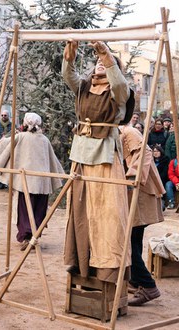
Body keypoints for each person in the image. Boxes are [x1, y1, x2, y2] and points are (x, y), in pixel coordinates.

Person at [61, 39, 133, 281]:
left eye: (104, 62)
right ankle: (81, 262)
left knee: (107, 213)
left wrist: (106, 55)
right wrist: (69, 55)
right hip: (81, 156)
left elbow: (119, 84)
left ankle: (106, 269)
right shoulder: (83, 87)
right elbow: (68, 75)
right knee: (81, 211)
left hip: (105, 157)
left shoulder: (119, 91)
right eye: (97, 61)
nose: (99, 64)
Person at [0, 113, 65, 250]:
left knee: (24, 211)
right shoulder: (44, 139)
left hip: (25, 183)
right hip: (41, 183)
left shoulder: (21, 137)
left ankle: (28, 237)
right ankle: (33, 236)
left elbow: (5, 145)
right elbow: (53, 161)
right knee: (38, 210)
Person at [119, 125, 164, 306]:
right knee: (133, 240)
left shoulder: (128, 132)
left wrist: (132, 177)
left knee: (128, 243)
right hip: (133, 195)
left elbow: (145, 152)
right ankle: (136, 280)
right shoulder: (117, 132)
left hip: (140, 194)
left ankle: (148, 286)